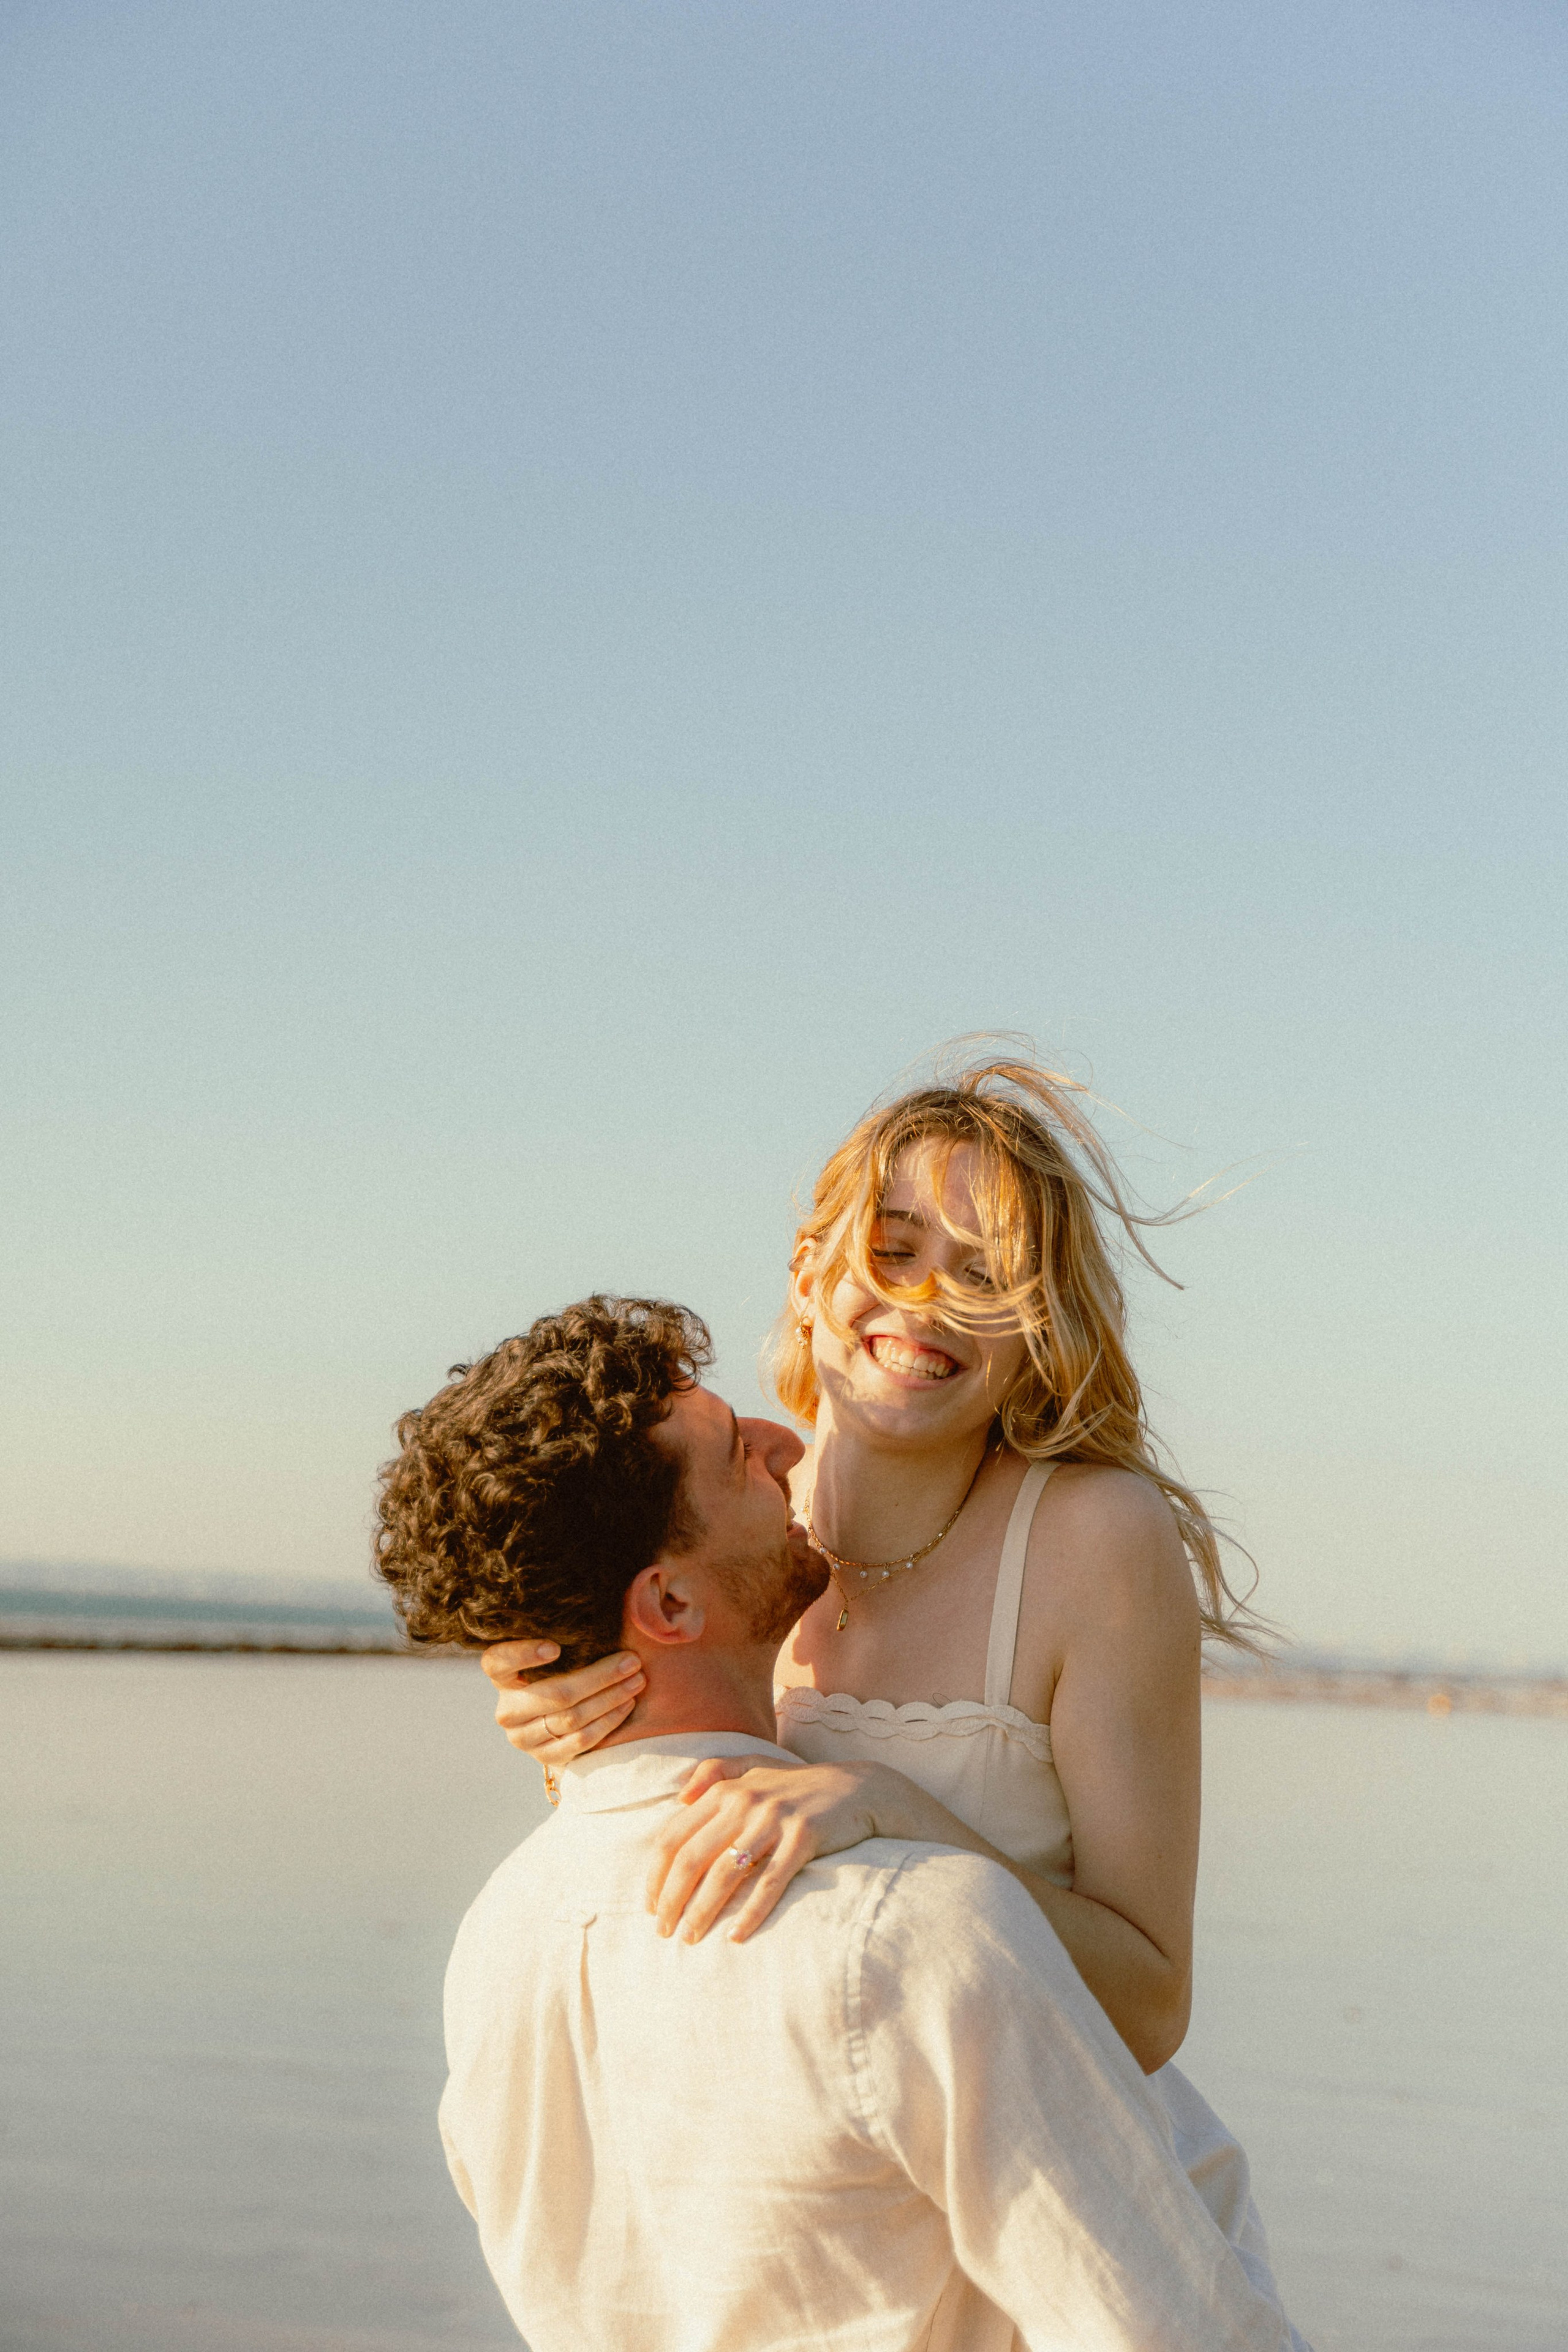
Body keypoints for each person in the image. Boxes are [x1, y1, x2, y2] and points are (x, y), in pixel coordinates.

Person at [483, 1054, 1303, 2326]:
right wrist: (557, 1724)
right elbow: (662, 1793)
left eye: (984, 1275)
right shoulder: (732, 1528)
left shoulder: (1091, 1542)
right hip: (834, 2229)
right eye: (894, 1246)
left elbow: (1148, 2003)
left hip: (1081, 2244)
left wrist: (893, 1811)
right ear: (809, 1273)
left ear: (1039, 1331)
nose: (925, 1304)